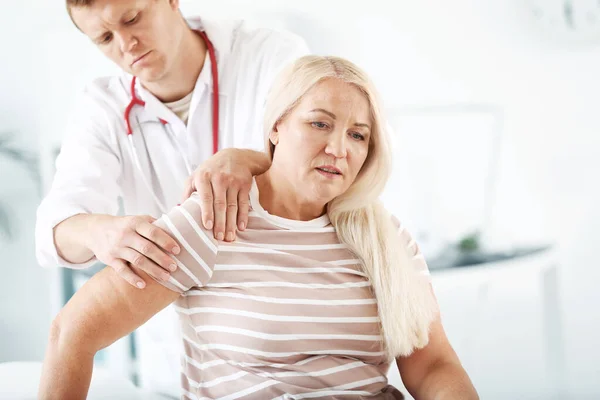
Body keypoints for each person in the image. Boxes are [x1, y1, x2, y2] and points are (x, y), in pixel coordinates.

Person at [39, 55, 479, 400]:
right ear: (275, 127)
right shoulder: (214, 220)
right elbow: (72, 332)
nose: (338, 148)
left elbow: (432, 366)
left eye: (358, 135)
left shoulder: (387, 239)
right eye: (319, 123)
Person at [35, 0, 309, 393]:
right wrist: (99, 231)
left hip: (289, 353)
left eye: (132, 19)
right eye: (105, 38)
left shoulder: (271, 56)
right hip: (175, 367)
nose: (126, 45)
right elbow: (53, 230)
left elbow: (330, 159)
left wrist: (247, 159)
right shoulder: (102, 106)